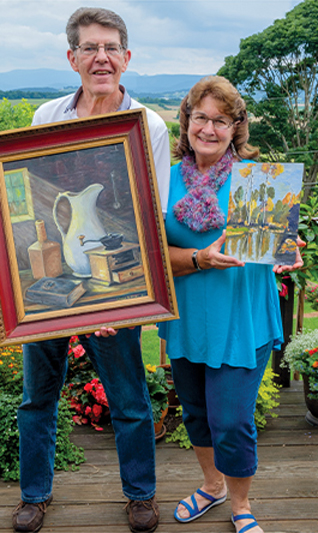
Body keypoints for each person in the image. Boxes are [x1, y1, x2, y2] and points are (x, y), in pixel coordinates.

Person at [12, 7, 170, 533]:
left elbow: (153, 219)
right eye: (89, 48)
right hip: (50, 279)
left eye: (110, 48)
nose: (100, 58)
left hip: (117, 277)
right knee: (38, 396)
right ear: (72, 58)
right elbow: (36, 204)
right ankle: (34, 495)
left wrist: (118, 300)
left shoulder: (149, 125)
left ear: (126, 57)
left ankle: (140, 495)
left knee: (128, 398)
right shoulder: (46, 116)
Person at [158, 75, 304, 533]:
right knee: (197, 413)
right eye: (200, 117)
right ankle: (212, 486)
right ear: (186, 122)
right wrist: (199, 259)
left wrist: (290, 249)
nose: (208, 128)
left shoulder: (260, 181)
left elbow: (280, 247)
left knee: (232, 421)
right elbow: (150, 253)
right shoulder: (161, 179)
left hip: (241, 320)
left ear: (235, 126)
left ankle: (241, 506)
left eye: (220, 120)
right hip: (186, 318)